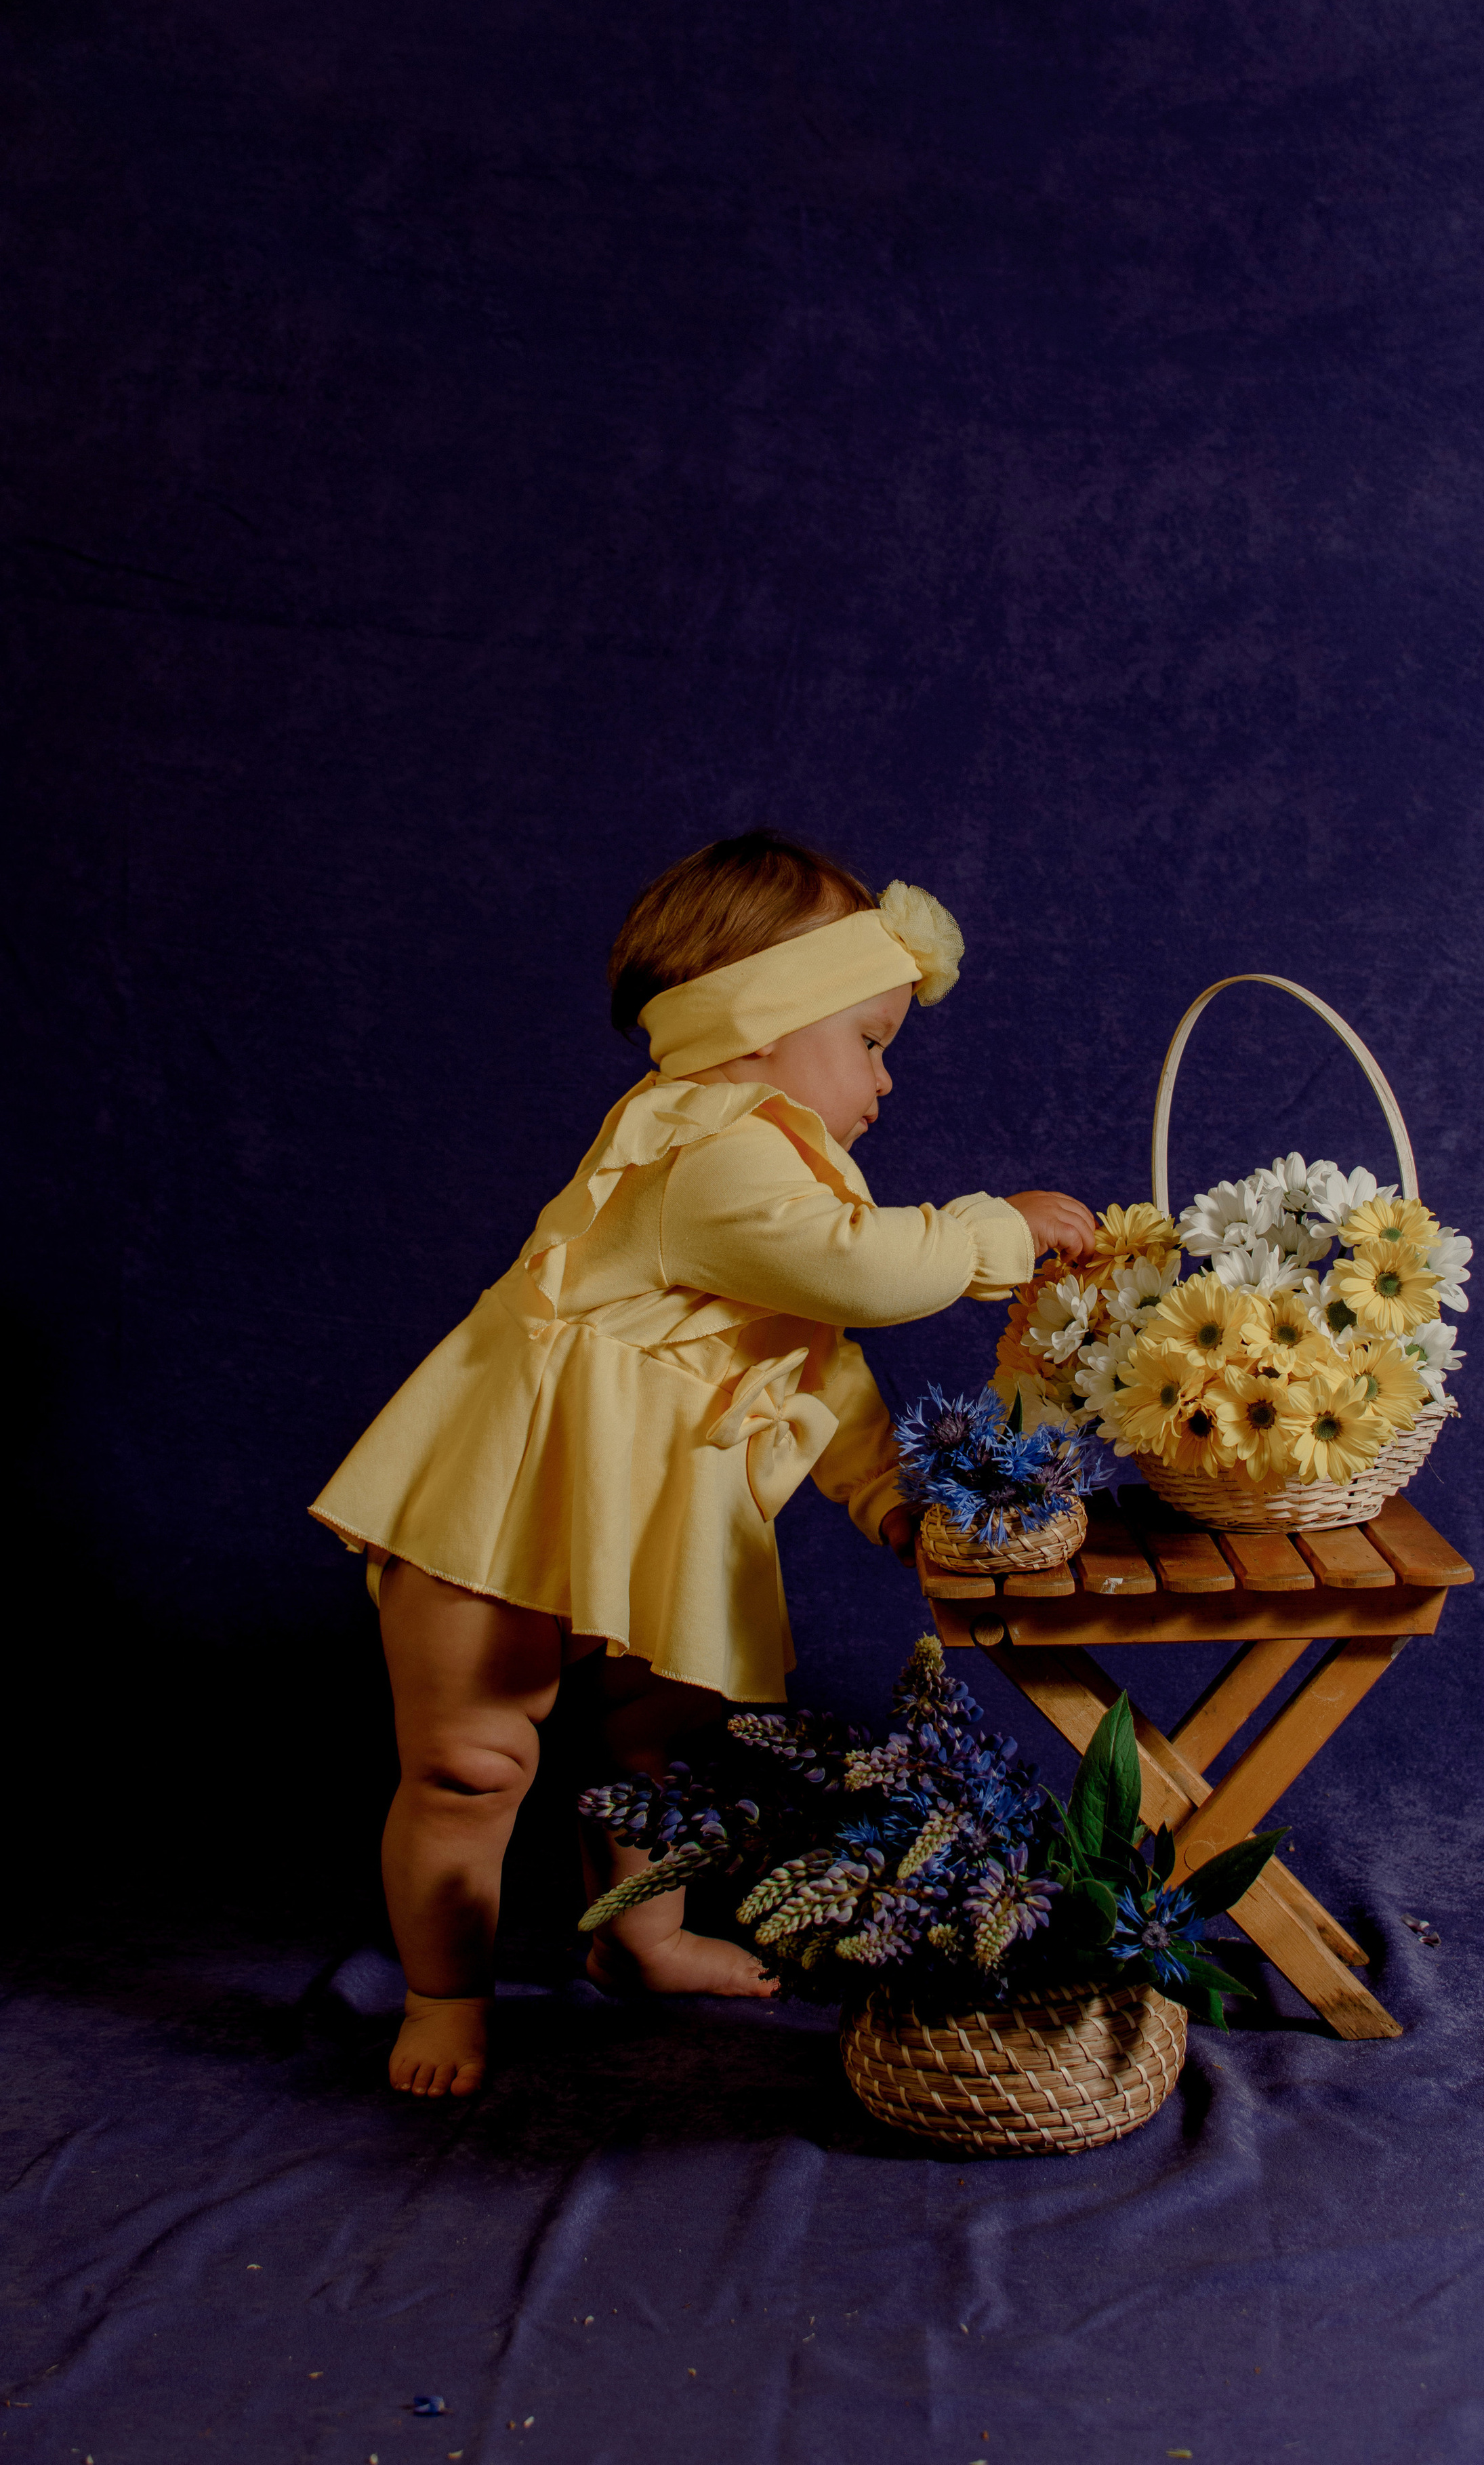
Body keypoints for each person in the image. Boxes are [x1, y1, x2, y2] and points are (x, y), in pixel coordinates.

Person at [310, 830, 1092, 2096]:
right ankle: (445, 1995)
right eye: (871, 1040)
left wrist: (884, 1493)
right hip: (501, 1498)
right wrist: (997, 1228)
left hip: (643, 1514)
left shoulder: (788, 1175)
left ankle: (641, 1939)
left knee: (661, 1745)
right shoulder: (707, 1149)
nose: (885, 1081)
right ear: (764, 1021)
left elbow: (815, 1363)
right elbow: (866, 1277)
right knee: (469, 1763)